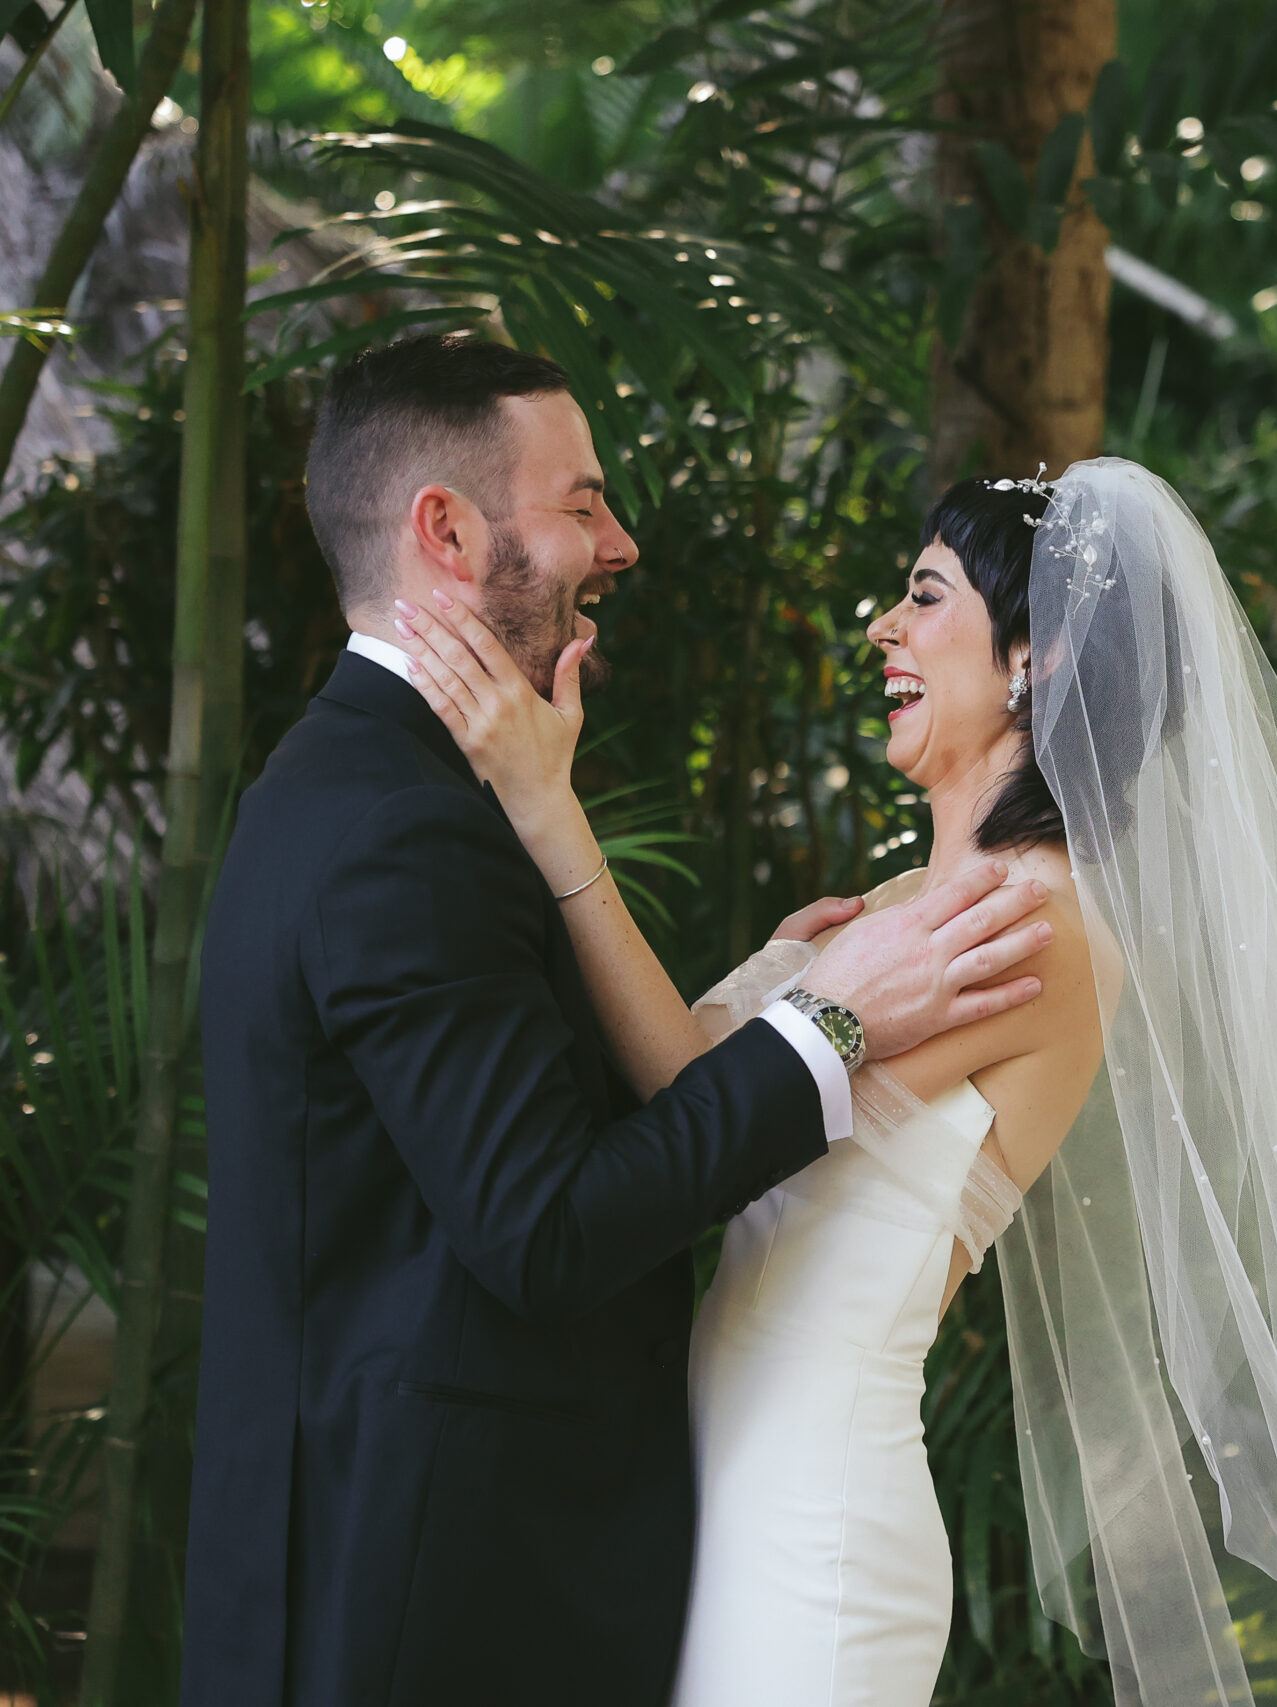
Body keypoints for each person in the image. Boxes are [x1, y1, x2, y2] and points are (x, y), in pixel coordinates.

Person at [397, 456, 1277, 1707]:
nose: (885, 629)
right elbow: (674, 1106)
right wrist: (805, 969)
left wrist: (546, 805)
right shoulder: (902, 914)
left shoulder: (1033, 929)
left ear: (1032, 661)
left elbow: (693, 1095)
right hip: (724, 1494)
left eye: (926, 594)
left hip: (816, 1529)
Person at [179, 332, 1055, 1707]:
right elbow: (547, 1224)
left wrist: (772, 989)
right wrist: (827, 1023)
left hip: (502, 1559)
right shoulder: (403, 824)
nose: (624, 543)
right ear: (448, 531)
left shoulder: (371, 782)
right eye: (583, 502)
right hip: (426, 1595)